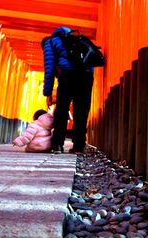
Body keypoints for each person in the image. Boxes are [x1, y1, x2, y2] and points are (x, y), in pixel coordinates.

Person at [42, 26, 94, 154]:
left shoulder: (50, 42)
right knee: (81, 110)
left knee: (62, 109)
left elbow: (49, 68)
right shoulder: (77, 38)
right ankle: (79, 146)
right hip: (86, 76)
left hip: (68, 75)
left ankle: (58, 144)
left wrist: (47, 92)